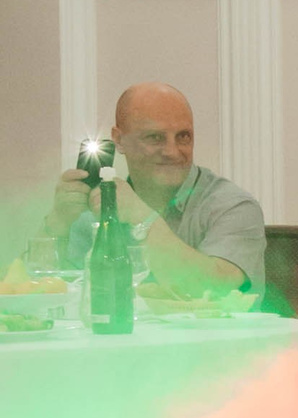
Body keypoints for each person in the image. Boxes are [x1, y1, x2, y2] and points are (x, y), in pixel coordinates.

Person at [48, 84, 265, 299]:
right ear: (119, 140)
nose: (172, 151)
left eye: (183, 137)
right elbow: (45, 291)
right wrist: (57, 223)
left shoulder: (233, 206)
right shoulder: (98, 206)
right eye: (155, 137)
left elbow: (218, 289)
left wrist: (143, 218)